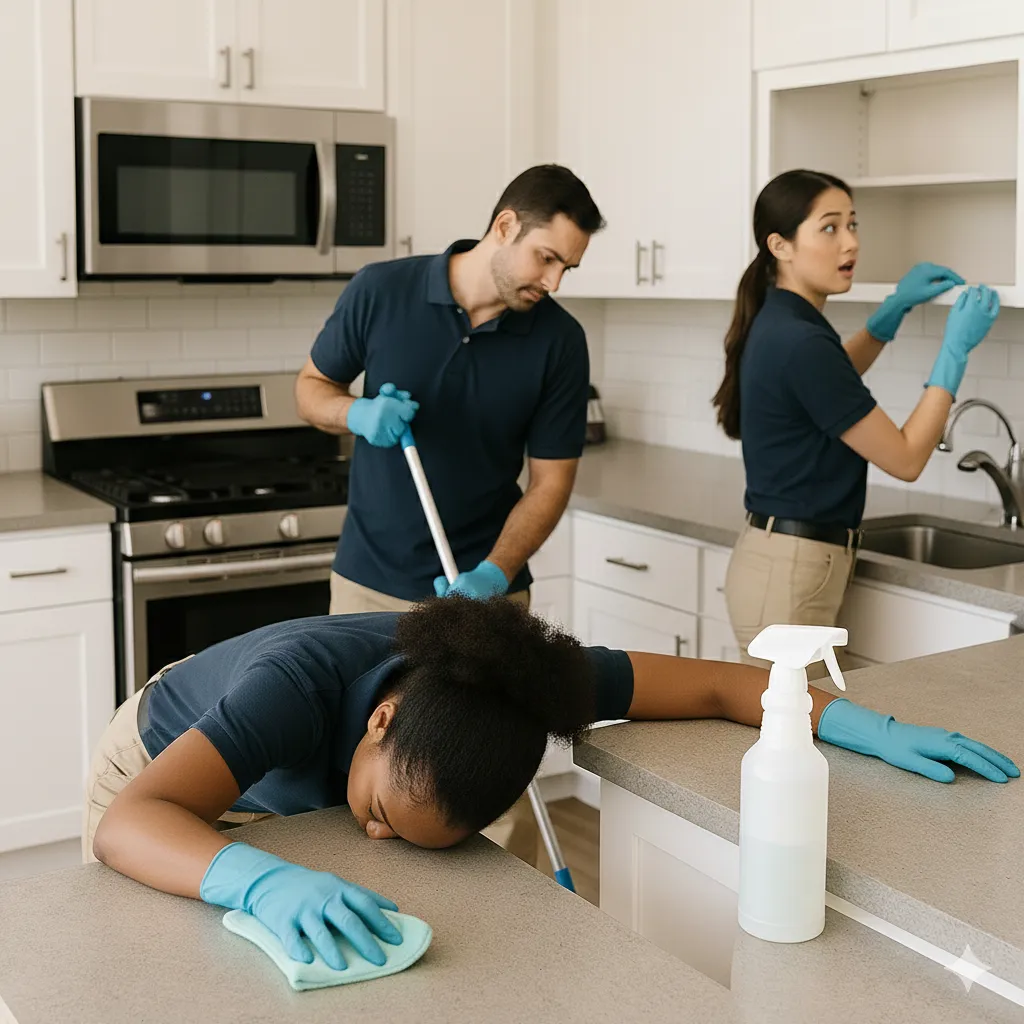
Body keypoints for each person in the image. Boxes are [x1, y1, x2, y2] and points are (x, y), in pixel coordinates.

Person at [85, 598, 1017, 971]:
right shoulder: (291, 687)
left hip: (313, 784)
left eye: (404, 830)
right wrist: (258, 875)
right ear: (377, 721)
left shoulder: (530, 684)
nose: (371, 834)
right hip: (169, 767)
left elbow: (725, 682)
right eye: (376, 812)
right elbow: (131, 825)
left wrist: (860, 724)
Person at [712, 169, 1000, 670]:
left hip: (782, 560)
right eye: (829, 228)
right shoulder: (801, 339)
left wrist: (889, 316)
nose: (850, 242)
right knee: (789, 738)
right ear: (779, 245)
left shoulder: (785, 319)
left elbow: (828, 383)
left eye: (853, 224)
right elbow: (907, 458)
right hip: (792, 572)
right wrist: (954, 353)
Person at [295, 163, 605, 615]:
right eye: (546, 258)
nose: (553, 282)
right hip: (366, 587)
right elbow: (310, 389)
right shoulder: (381, 290)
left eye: (567, 268)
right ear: (505, 226)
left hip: (487, 598)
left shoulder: (561, 341)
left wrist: (496, 573)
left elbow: (551, 482)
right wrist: (356, 414)